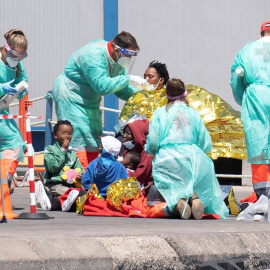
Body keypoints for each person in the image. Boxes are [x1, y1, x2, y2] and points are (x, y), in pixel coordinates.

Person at [52, 31, 147, 169]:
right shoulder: (93, 55)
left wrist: (144, 97)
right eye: (128, 55)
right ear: (116, 50)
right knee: (77, 137)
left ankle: (91, 174)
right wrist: (128, 78)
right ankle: (77, 177)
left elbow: (120, 89)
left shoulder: (116, 60)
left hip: (89, 101)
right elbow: (101, 86)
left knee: (93, 138)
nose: (129, 60)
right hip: (71, 96)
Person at [145, 78, 229, 219]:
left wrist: (151, 151)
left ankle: (177, 202)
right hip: (194, 157)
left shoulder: (159, 113)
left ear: (166, 95)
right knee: (193, 177)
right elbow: (205, 143)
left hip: (168, 157)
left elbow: (153, 141)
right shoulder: (193, 114)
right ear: (185, 94)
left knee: (155, 203)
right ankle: (192, 196)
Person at [230, 21, 270, 200]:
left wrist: (242, 100)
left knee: (258, 144)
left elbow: (236, 81)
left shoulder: (247, 50)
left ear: (261, 33)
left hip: (256, 98)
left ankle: (262, 194)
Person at [0, 29, 28, 190]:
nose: (18, 59)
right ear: (6, 49)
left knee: (16, 143)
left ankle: (5, 179)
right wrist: (1, 87)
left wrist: (20, 90)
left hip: (2, 111)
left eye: (22, 56)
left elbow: (23, 79)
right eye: (16, 55)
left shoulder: (17, 63)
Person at [44, 120, 84, 197]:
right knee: (71, 194)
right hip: (55, 185)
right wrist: (63, 151)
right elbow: (52, 168)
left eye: (69, 133)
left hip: (71, 185)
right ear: (56, 135)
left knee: (82, 195)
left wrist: (81, 176)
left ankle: (56, 202)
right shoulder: (49, 149)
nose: (67, 136)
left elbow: (79, 169)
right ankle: (49, 197)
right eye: (63, 133)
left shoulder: (72, 154)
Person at [121, 119, 153, 189]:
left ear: (138, 136)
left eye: (128, 133)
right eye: (124, 132)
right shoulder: (128, 152)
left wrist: (118, 172)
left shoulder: (147, 155)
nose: (124, 136)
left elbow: (138, 178)